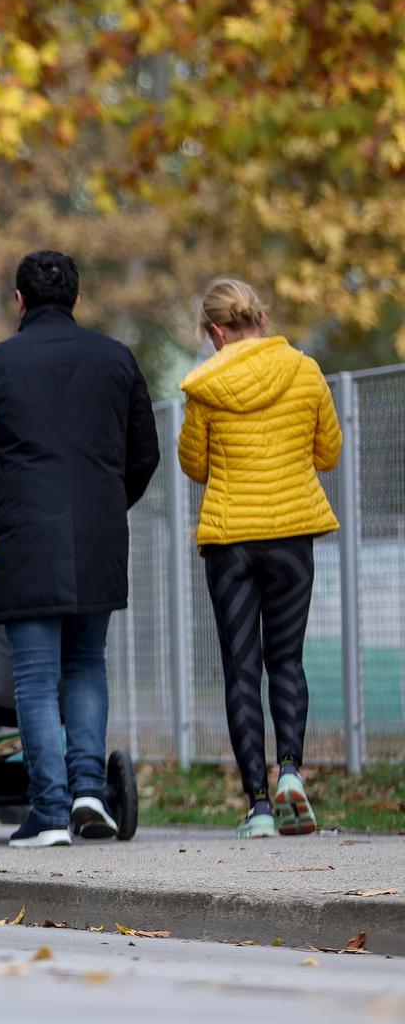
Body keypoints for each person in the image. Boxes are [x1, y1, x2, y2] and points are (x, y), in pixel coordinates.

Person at [0, 250, 159, 848]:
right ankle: (90, 790)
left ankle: (49, 810)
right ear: (75, 298)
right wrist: (109, 501)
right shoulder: (116, 359)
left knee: (36, 678)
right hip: (98, 534)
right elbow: (143, 454)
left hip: (25, 535)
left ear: (19, 301)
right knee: (87, 663)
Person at [179, 277, 340, 839]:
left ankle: (258, 807)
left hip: (231, 541)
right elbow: (330, 451)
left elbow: (194, 465)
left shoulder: (204, 387)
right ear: (262, 320)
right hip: (294, 534)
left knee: (242, 668)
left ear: (216, 331)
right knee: (287, 660)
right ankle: (291, 771)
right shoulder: (307, 371)